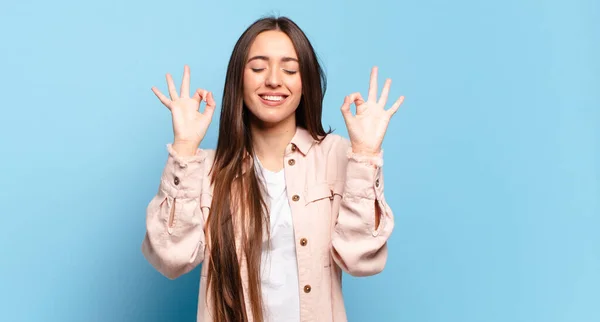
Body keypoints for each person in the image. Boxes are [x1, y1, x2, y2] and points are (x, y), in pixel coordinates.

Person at [141, 15, 404, 322]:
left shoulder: (341, 156)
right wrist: (184, 147)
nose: (274, 80)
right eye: (258, 67)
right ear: (239, 80)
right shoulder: (205, 169)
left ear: (305, 82)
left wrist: (366, 154)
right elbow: (171, 259)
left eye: (289, 69)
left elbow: (361, 260)